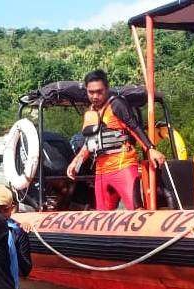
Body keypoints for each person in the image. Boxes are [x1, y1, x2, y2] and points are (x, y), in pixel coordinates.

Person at [66, 69, 166, 210]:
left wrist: (150, 149)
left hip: (122, 165)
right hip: (101, 170)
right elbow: (89, 143)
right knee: (102, 215)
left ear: (107, 89)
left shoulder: (117, 104)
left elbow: (134, 127)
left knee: (136, 209)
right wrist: (76, 163)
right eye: (91, 92)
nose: (95, 96)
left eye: (99, 91)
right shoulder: (90, 113)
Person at [0, 184, 32, 281]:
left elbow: (25, 269)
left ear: (11, 209)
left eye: (4, 210)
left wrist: (12, 249)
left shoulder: (17, 231)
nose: (0, 215)